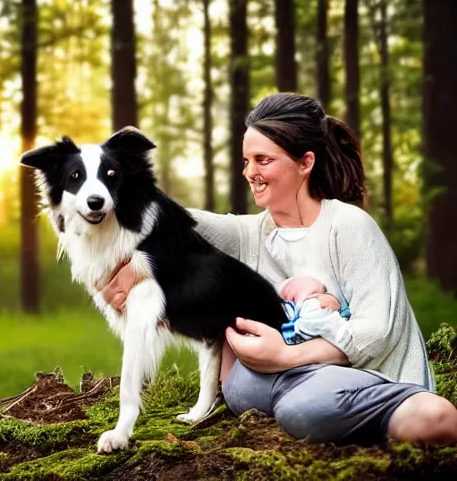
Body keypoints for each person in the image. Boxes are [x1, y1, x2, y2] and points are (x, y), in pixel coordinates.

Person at [98, 93, 457, 446]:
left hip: (366, 379)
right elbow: (167, 219)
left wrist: (286, 355)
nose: (250, 173)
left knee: (304, 408)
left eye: (263, 160)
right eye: (245, 161)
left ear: (306, 163)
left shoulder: (348, 226)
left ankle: (413, 414)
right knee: (248, 387)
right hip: (280, 379)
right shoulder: (251, 234)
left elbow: (375, 332)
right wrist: (116, 162)